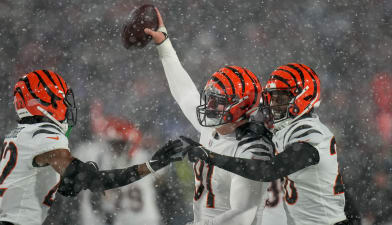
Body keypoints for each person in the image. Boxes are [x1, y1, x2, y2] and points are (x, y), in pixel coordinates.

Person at [0, 70, 185, 225]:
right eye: (62, 100)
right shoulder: (45, 136)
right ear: (45, 102)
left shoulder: (19, 134)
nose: (67, 106)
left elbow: (68, 186)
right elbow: (91, 180)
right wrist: (149, 166)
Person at [145, 8, 274, 225]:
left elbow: (243, 215)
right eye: (210, 98)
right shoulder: (214, 129)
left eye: (218, 101)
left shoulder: (253, 149)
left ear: (240, 106)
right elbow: (184, 92)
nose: (209, 105)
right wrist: (164, 45)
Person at [183, 63, 347, 225]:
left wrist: (211, 156)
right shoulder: (288, 129)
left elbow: (268, 170)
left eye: (281, 98)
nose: (274, 104)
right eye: (272, 98)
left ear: (305, 96)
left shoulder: (310, 132)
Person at [75, 101, 161, 225]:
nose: (116, 148)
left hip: (140, 220)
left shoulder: (142, 158)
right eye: (114, 144)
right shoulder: (99, 157)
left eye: (120, 144)